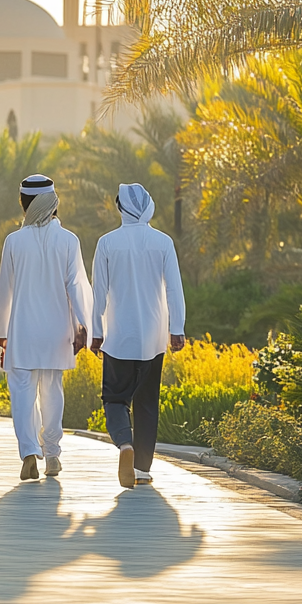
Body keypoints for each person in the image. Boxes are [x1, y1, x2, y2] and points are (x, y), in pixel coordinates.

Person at [0, 175, 92, 481]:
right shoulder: (69, 240)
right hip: (55, 331)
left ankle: (28, 453)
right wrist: (83, 326)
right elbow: (77, 285)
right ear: (54, 204)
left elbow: (5, 289)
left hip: (22, 330)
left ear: (23, 204)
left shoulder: (14, 241)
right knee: (52, 390)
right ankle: (52, 454)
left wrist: (0, 329)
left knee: (22, 393)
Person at [91, 184, 186, 488]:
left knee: (115, 398)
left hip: (118, 336)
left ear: (120, 208)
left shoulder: (107, 243)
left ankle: (124, 446)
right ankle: (142, 469)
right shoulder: (163, 242)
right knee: (146, 402)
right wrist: (177, 328)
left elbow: (99, 292)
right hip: (153, 337)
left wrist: (95, 332)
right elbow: (173, 288)